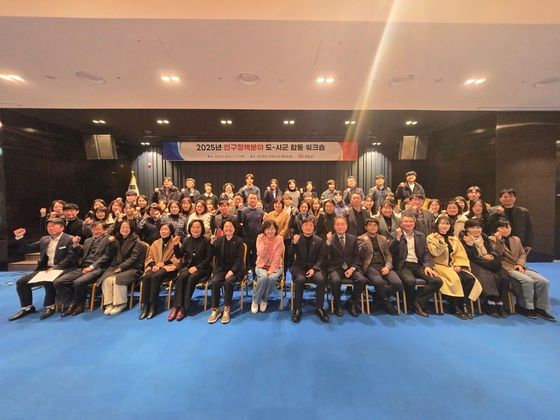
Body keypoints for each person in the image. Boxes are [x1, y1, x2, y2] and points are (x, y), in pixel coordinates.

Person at [9, 218, 78, 321]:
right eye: (49, 226)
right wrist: (19, 237)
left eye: (53, 226)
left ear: (62, 227)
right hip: (46, 269)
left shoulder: (69, 239)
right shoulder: (44, 239)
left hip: (64, 268)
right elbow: (28, 248)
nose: (50, 228)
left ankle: (50, 306)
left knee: (48, 280)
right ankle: (27, 308)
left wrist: (55, 268)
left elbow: (70, 257)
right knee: (21, 282)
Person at [489, 220, 555, 321]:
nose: (505, 229)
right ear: (496, 229)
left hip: (518, 266)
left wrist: (520, 264)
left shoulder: (516, 239)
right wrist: (499, 241)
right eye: (501, 227)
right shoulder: (492, 239)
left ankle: (541, 308)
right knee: (527, 281)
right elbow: (497, 255)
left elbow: (522, 254)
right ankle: (526, 307)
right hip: (505, 268)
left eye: (507, 227)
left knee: (543, 281)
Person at [427, 215, 482, 320]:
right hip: (439, 266)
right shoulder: (431, 237)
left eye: (447, 224)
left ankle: (464, 304)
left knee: (470, 279)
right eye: (442, 223)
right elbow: (435, 253)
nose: (444, 226)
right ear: (437, 225)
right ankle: (455, 307)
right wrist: (440, 242)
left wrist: (459, 264)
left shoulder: (454, 238)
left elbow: (460, 254)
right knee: (456, 280)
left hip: (453, 265)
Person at [54, 221, 113, 317]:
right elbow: (80, 253)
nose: (95, 231)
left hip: (98, 268)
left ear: (104, 230)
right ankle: (71, 303)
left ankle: (80, 305)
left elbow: (106, 257)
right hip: (83, 267)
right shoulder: (88, 240)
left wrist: (91, 267)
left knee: (78, 282)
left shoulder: (109, 240)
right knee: (58, 282)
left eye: (98, 229)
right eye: (93, 229)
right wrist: (76, 245)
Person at [389, 215, 442, 317]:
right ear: (401, 224)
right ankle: (416, 304)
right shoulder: (394, 234)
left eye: (411, 221)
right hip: (403, 265)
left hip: (418, 265)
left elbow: (426, 253)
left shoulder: (420, 235)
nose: (408, 224)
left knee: (437, 281)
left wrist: (427, 266)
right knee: (410, 281)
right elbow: (390, 251)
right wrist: (397, 238)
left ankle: (416, 301)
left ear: (414, 223)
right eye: (406, 222)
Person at [461, 219, 509, 318]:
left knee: (504, 278)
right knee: (490, 278)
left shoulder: (484, 237)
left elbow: (492, 250)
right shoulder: (463, 239)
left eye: (478, 227)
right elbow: (469, 256)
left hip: (489, 262)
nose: (476, 230)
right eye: (472, 228)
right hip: (475, 263)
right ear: (467, 229)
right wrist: (470, 245)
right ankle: (489, 304)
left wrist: (491, 255)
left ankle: (500, 303)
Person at [98, 220, 146, 316]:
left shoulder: (136, 240)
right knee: (106, 280)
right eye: (122, 228)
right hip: (117, 266)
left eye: (127, 227)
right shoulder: (116, 239)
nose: (124, 229)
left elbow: (134, 258)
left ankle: (120, 303)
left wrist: (121, 267)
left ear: (131, 229)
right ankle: (109, 303)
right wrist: (110, 243)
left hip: (133, 268)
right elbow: (108, 254)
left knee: (117, 279)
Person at [169, 220, 212, 321]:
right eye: (193, 227)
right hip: (189, 267)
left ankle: (184, 307)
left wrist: (197, 267)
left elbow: (209, 258)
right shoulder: (186, 241)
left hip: (203, 268)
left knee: (191, 278)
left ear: (202, 229)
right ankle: (176, 306)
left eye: (198, 227)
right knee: (181, 277)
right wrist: (176, 245)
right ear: (190, 229)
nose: (195, 229)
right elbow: (179, 255)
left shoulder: (206, 240)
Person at [358, 218, 402, 315]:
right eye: (370, 225)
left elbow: (388, 254)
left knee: (397, 283)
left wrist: (388, 266)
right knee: (379, 282)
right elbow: (359, 255)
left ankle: (378, 298)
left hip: (383, 265)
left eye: (375, 225)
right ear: (365, 227)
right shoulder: (361, 238)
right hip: (370, 267)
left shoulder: (382, 238)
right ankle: (387, 303)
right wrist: (364, 244)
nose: (372, 227)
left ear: (378, 227)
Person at [325, 216, 367, 317]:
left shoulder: (352, 238)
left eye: (342, 224)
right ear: (334, 227)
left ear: (346, 226)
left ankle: (352, 303)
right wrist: (328, 242)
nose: (340, 226)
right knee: (335, 280)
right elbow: (324, 256)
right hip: (335, 267)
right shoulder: (330, 238)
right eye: (338, 224)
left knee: (362, 280)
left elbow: (356, 256)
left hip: (350, 267)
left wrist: (352, 268)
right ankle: (337, 304)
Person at [289, 218, 329, 323]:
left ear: (314, 227)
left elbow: (321, 257)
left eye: (310, 225)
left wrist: (314, 269)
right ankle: (297, 309)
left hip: (314, 267)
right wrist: (294, 243)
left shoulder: (319, 240)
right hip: (299, 267)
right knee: (300, 280)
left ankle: (319, 308)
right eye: (305, 225)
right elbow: (290, 255)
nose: (308, 227)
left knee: (321, 279)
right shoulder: (297, 238)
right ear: (301, 227)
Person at [207, 220, 247, 324]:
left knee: (228, 281)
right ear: (223, 229)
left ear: (234, 228)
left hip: (236, 270)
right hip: (221, 269)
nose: (228, 228)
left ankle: (226, 308)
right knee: (215, 281)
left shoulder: (239, 241)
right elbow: (210, 255)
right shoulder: (219, 240)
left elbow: (240, 259)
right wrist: (211, 243)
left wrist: (232, 271)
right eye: (226, 227)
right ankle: (215, 309)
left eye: (230, 226)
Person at [139, 223, 180, 319]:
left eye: (166, 229)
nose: (163, 231)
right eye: (162, 229)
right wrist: (154, 265)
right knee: (146, 276)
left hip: (169, 268)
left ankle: (153, 305)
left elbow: (178, 259)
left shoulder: (175, 242)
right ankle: (146, 305)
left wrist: (163, 264)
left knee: (155, 276)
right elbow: (149, 257)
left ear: (171, 231)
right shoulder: (155, 243)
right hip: (155, 267)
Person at [251, 220, 285, 313]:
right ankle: (255, 301)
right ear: (264, 230)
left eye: (272, 229)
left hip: (276, 266)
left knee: (272, 278)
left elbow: (277, 256)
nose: (270, 231)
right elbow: (260, 253)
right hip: (261, 265)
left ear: (276, 229)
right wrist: (263, 241)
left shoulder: (280, 239)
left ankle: (264, 299)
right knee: (263, 277)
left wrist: (272, 269)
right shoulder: (260, 238)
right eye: (267, 229)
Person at [488, 188, 534, 253]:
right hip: (498, 243)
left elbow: (529, 229)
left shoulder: (523, 211)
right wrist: (496, 214)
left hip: (518, 243)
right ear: (500, 199)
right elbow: (487, 226)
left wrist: (529, 244)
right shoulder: (492, 210)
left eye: (511, 197)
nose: (508, 199)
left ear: (515, 198)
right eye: (505, 197)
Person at [238, 193, 265, 274]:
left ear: (257, 200)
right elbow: (240, 223)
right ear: (247, 200)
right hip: (246, 237)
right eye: (251, 198)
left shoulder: (261, 211)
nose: (252, 200)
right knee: (245, 256)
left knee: (257, 256)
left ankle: (256, 274)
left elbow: (262, 224)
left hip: (258, 238)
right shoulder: (243, 211)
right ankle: (245, 273)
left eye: (254, 198)